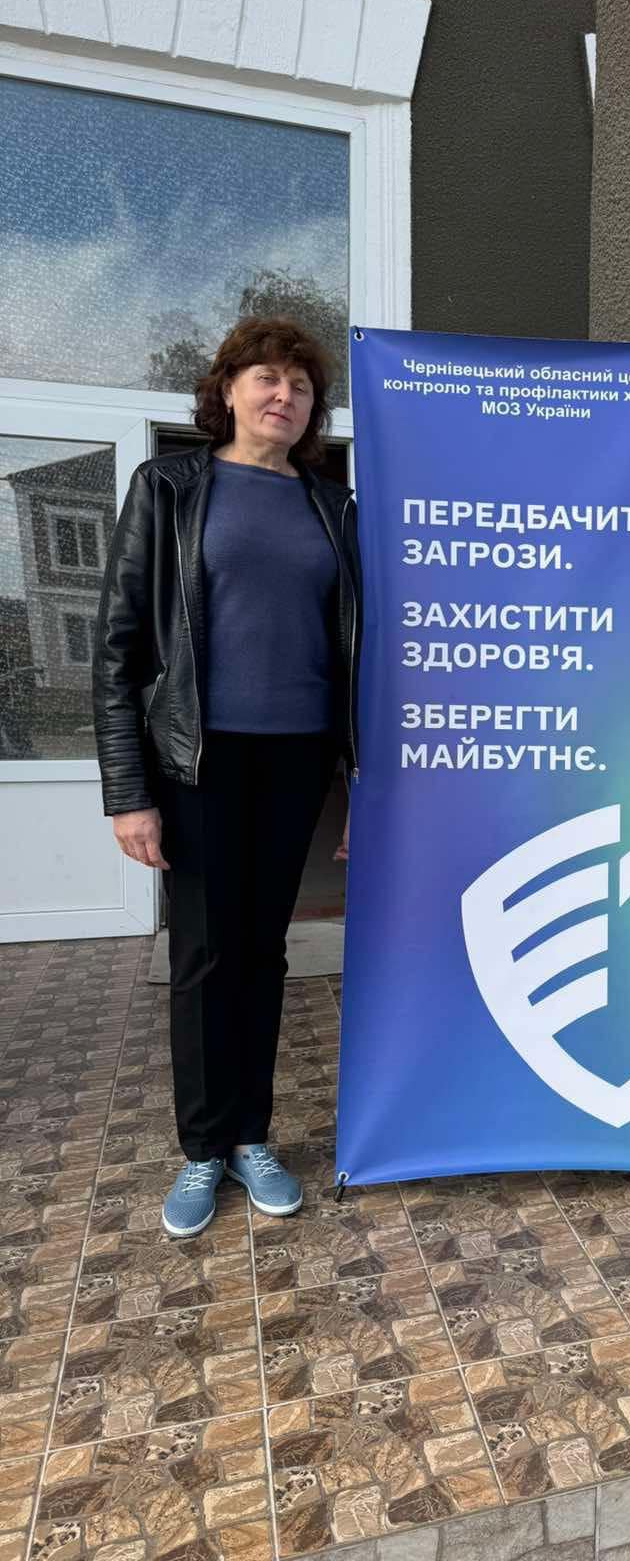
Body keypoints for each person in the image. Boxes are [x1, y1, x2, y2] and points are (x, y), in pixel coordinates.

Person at [93, 317, 361, 1238]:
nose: (284, 395)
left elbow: (358, 651)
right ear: (228, 391)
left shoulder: (333, 507)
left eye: (301, 385)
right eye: (266, 378)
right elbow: (120, 649)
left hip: (296, 759)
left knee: (264, 951)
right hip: (196, 760)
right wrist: (128, 792)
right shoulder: (168, 488)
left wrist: (359, 782)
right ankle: (204, 1146)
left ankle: (252, 1134)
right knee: (205, 955)